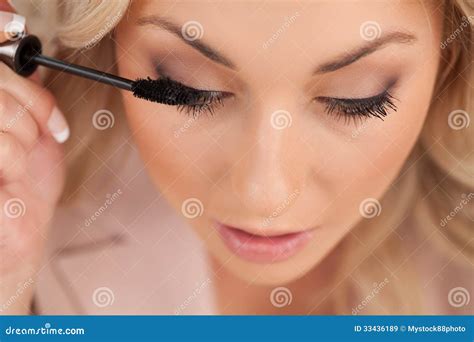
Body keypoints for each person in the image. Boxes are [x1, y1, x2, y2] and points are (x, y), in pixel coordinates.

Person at [0, 0, 472, 315]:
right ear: (111, 39)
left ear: (452, 56)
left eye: (357, 98)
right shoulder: (30, 210)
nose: (265, 197)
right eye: (188, 87)